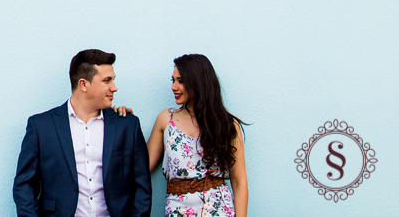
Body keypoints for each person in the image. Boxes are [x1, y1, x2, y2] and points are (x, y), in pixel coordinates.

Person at [13, 49, 152, 217]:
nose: (114, 88)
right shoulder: (41, 126)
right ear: (83, 84)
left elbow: (142, 186)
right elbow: (24, 185)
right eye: (106, 81)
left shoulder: (127, 125)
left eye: (113, 80)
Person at [146, 54, 248, 217]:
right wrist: (120, 120)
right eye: (173, 81)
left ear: (198, 82)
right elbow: (141, 168)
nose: (174, 87)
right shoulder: (166, 120)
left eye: (181, 81)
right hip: (177, 211)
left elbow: (239, 181)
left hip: (220, 210)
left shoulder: (227, 125)